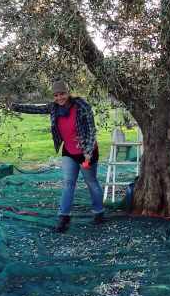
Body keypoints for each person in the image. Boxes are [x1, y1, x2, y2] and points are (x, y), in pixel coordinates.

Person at [11, 80, 104, 232]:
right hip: (68, 150)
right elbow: (36, 109)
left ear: (68, 92)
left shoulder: (82, 106)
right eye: (56, 95)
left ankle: (99, 212)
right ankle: (64, 217)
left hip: (86, 151)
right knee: (68, 182)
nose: (59, 97)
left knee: (91, 182)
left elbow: (91, 131)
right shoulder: (54, 108)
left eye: (62, 94)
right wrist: (14, 106)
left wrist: (88, 154)